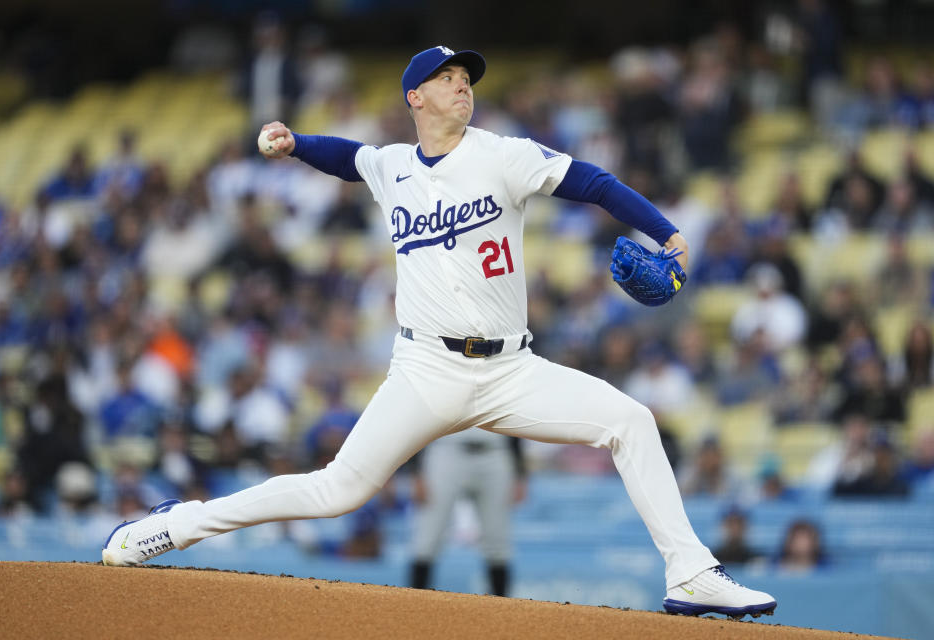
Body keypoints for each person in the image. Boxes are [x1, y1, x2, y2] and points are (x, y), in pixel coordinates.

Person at [102, 45, 776, 619]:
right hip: (427, 371)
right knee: (336, 491)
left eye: (468, 79)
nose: (464, 86)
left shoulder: (503, 156)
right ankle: (173, 527)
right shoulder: (393, 166)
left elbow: (594, 183)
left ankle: (689, 574)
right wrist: (296, 144)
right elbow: (350, 157)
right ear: (415, 97)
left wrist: (669, 232)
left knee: (631, 421)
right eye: (450, 78)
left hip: (512, 371)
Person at [408, 429, 526, 597]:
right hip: (446, 449)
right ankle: (412, 607)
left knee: (498, 541)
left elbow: (514, 419)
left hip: (495, 450)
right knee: (427, 538)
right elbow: (421, 418)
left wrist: (520, 473)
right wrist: (416, 471)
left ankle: (503, 613)